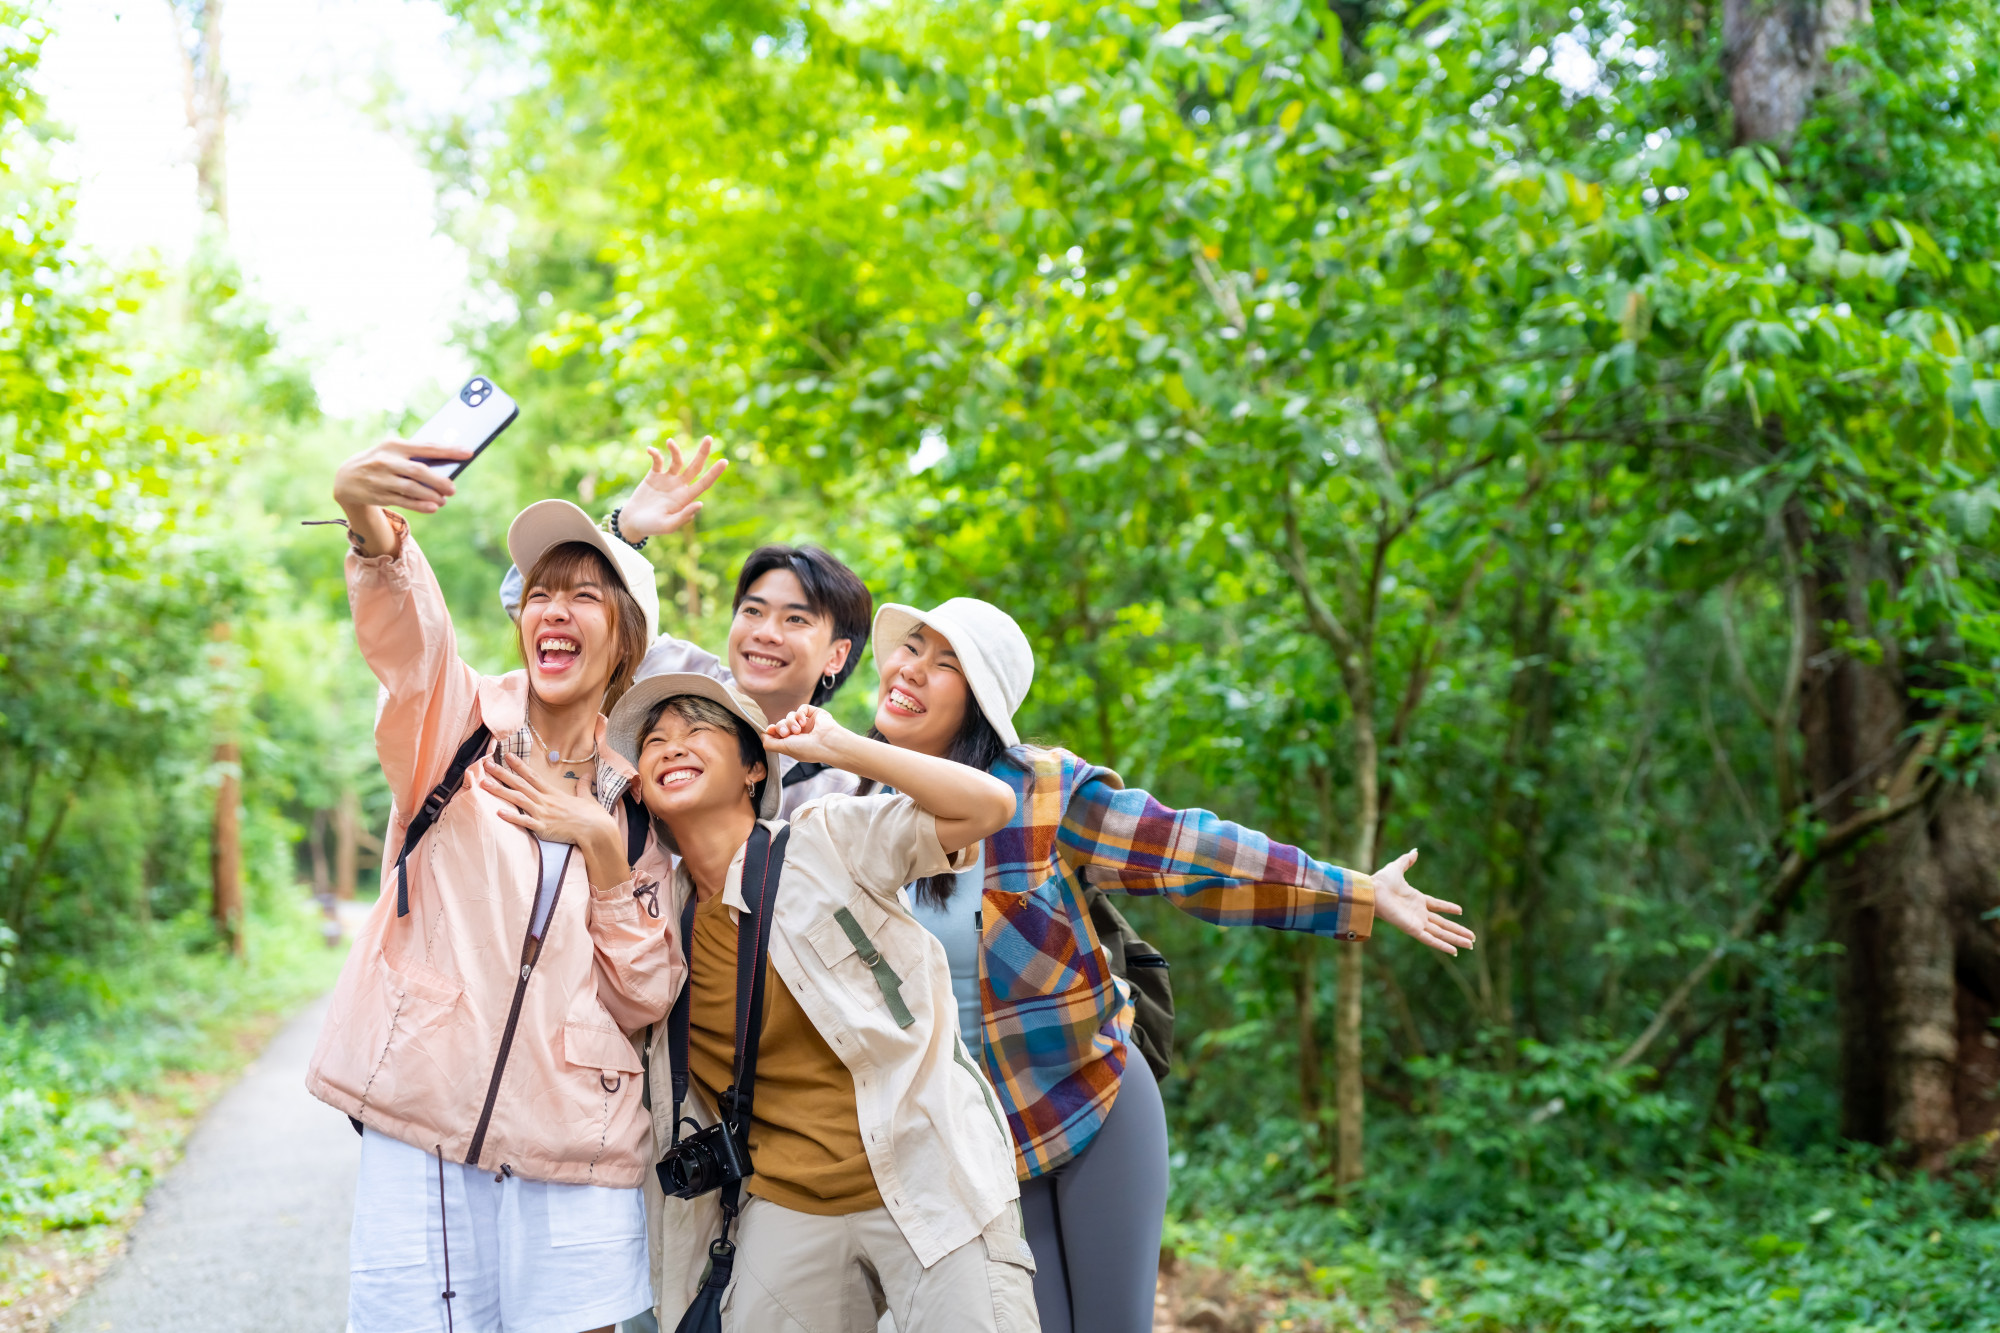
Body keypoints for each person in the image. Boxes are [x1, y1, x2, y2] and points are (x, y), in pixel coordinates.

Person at [863, 597, 1476, 1333]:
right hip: (986, 1139)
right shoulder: (855, 814)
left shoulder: (1044, 791)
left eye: (944, 662)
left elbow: (1190, 851)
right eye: (912, 647)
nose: (911, 669)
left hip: (1096, 1100)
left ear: (980, 701)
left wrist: (1360, 893)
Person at [309, 437, 680, 1333]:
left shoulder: (639, 801)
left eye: (585, 595)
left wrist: (600, 850)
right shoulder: (458, 725)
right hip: (425, 1114)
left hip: (576, 1141)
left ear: (625, 636)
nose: (555, 610)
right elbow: (411, 636)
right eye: (541, 594)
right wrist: (371, 529)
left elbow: (644, 993)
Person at [606, 673, 1038, 1332]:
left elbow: (987, 806)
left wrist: (842, 747)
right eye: (655, 740)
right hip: (785, 1202)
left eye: (697, 729)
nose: (671, 746)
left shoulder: (825, 838)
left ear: (754, 767)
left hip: (923, 1174)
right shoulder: (658, 924)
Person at [498, 437, 872, 817]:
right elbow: (526, 596)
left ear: (837, 655)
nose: (765, 633)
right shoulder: (674, 670)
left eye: (795, 619)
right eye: (753, 611)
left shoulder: (838, 789)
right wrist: (622, 530)